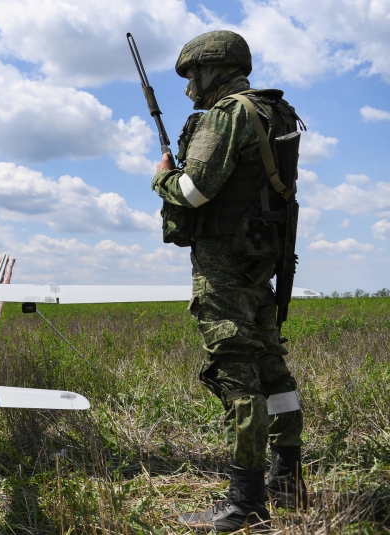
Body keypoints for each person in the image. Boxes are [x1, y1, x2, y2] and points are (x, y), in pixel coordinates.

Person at [151, 30, 308, 532]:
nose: (188, 88)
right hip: (259, 261)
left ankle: (246, 502)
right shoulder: (273, 111)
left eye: (193, 76)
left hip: (224, 264)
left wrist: (161, 177)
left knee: (236, 373)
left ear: (214, 70)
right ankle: (288, 481)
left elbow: (194, 191)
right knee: (273, 370)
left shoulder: (228, 115)